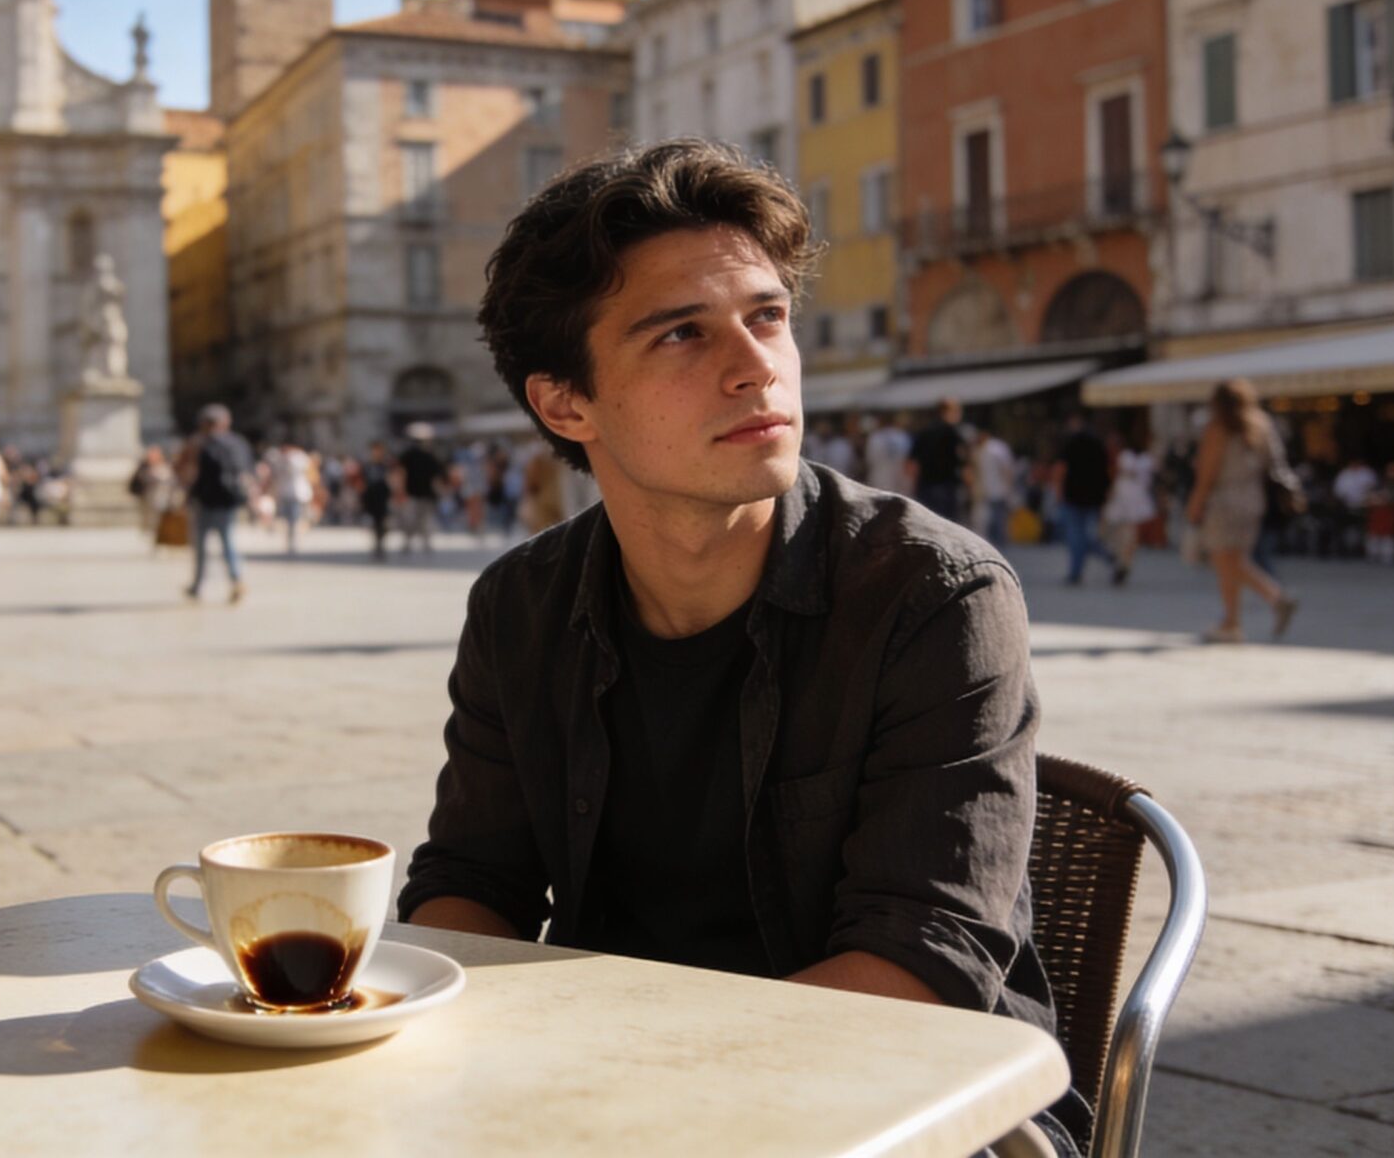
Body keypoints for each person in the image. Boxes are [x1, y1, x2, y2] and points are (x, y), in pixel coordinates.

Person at [399, 140, 1087, 1156]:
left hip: (919, 1105)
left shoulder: (934, 595)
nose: (755, 364)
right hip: (607, 1096)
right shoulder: (521, 606)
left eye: (766, 316)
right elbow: (472, 883)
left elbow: (922, 964)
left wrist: (620, 1091)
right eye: (681, 334)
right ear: (564, 402)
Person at [1186, 379, 1301, 642]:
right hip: (1253, 499)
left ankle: (1274, 599)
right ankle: (1232, 622)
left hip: (1224, 500)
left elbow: (1207, 473)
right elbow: (1275, 463)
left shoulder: (1218, 427)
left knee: (1228, 561)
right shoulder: (1261, 423)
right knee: (1231, 562)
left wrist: (1195, 504)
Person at [180, 405, 252, 602]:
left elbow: (188, 472)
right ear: (225, 422)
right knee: (228, 542)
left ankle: (197, 584)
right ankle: (236, 579)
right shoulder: (237, 443)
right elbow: (246, 472)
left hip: (203, 500)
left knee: (200, 546)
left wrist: (186, 495)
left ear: (204, 423)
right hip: (228, 501)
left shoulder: (197, 443)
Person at [1055, 413, 1118, 586]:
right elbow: (1109, 471)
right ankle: (1107, 557)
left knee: (1076, 536)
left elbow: (1061, 468)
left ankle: (1077, 571)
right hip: (1094, 497)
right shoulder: (1098, 444)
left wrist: (1059, 491)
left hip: (1073, 495)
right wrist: (1107, 492)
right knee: (1086, 535)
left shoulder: (1071, 444)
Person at [907, 397, 970, 524]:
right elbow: (963, 462)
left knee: (929, 524)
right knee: (949, 525)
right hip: (946, 486)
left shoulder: (924, 432)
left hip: (925, 486)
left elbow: (911, 464)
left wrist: (914, 485)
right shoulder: (953, 432)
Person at [1102, 437, 1156, 581]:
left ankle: (1124, 563)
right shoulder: (1128, 456)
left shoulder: (1145, 459)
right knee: (1118, 531)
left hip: (1135, 498)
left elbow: (1145, 478)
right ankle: (1118, 558)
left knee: (1130, 535)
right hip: (1123, 497)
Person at [398, 429, 446, 554]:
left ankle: (412, 542)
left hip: (414, 492)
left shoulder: (410, 455)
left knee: (415, 519)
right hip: (422, 492)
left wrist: (401, 489)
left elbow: (401, 473)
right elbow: (436, 478)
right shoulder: (428, 456)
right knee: (422, 519)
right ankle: (421, 543)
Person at [972, 427, 1017, 547]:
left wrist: (1007, 486)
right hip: (989, 489)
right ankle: (995, 540)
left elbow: (1006, 469)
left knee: (997, 516)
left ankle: (999, 541)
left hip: (997, 488)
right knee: (991, 517)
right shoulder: (981, 449)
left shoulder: (996, 448)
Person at [359, 440, 398, 558]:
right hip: (371, 497)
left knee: (383, 522)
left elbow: (392, 480)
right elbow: (362, 481)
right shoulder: (367, 466)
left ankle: (380, 543)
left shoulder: (386, 465)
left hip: (383, 496)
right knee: (374, 522)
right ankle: (377, 544)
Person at [860, 413, 910, 497]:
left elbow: (869, 460)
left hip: (879, 480)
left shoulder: (876, 437)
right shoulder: (903, 437)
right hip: (899, 481)